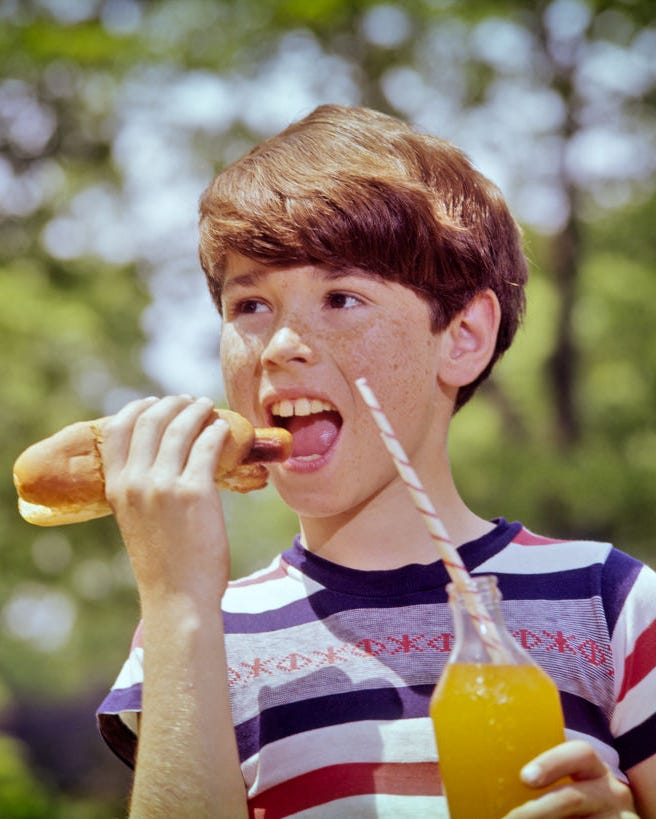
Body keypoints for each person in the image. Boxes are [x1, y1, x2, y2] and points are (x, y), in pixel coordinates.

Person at [96, 104, 656, 818]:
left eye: (341, 296)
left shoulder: (610, 603)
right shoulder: (202, 631)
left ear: (463, 337)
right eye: (250, 305)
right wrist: (176, 604)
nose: (280, 346)